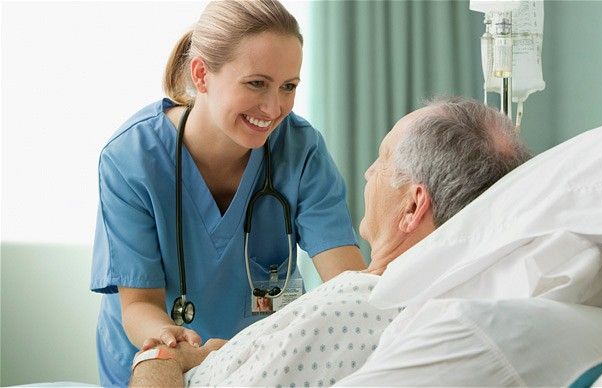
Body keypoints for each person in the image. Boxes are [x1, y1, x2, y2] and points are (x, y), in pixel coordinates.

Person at [129, 97, 532, 387]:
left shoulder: (349, 311)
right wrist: (225, 354)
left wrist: (160, 358)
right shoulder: (421, 303)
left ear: (412, 207)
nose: (368, 172)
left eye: (384, 158)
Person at [90, 1, 366, 386]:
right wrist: (176, 341)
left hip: (260, 367)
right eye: (257, 83)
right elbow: (139, 305)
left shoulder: (301, 151)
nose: (274, 107)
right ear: (201, 74)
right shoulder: (131, 159)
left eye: (288, 86)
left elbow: (348, 282)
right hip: (162, 361)